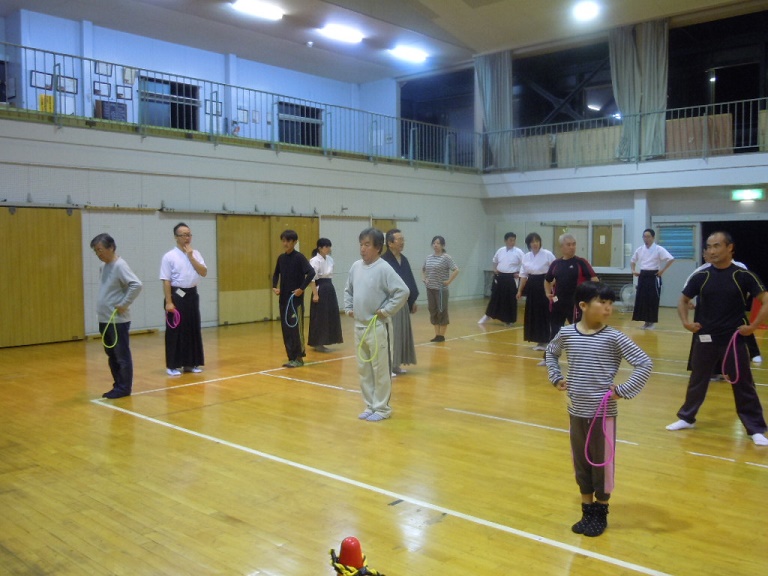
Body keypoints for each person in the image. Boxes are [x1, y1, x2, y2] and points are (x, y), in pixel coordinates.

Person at [546, 281, 652, 537]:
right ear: (583, 305)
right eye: (602, 303)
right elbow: (551, 353)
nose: (608, 308)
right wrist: (556, 377)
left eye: (610, 303)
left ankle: (601, 510)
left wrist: (622, 390)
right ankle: (586, 509)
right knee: (581, 463)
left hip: (603, 415)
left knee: (602, 464)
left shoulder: (614, 337)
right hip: (576, 411)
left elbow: (644, 363)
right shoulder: (567, 333)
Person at [666, 231, 768, 445]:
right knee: (697, 379)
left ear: (730, 248)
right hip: (705, 338)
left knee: (743, 383)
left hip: (733, 340)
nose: (711, 251)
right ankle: (687, 417)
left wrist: (753, 326)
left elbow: (765, 300)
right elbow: (683, 300)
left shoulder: (743, 275)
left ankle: (755, 428)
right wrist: (686, 322)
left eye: (717, 246)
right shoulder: (701, 276)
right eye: (709, 247)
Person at [344, 228, 409, 422]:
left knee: (380, 370)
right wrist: (349, 308)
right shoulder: (355, 267)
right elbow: (348, 290)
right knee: (364, 370)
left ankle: (382, 408)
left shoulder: (384, 268)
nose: (362, 249)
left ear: (378, 247)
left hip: (378, 327)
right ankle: (370, 405)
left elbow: (402, 291)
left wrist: (386, 310)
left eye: (367, 245)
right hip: (359, 326)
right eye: (361, 244)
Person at [91, 233, 143, 399]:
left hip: (117, 320)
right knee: (112, 355)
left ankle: (124, 388)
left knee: (121, 356)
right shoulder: (103, 266)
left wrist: (124, 304)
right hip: (104, 319)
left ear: (111, 247)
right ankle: (118, 385)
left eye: (100, 250)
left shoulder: (120, 265)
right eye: (95, 251)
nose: (98, 254)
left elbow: (136, 285)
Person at [542, 233, 598, 365]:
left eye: (574, 244)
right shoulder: (556, 264)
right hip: (558, 303)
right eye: (568, 245)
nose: (572, 247)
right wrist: (547, 293)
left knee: (579, 333)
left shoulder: (581, 262)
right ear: (561, 247)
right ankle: (549, 359)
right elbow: (547, 280)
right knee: (555, 332)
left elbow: (595, 280)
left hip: (575, 306)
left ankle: (582, 361)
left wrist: (587, 296)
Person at [160, 222, 207, 376]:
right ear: (176, 237)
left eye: (189, 234)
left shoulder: (196, 253)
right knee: (175, 331)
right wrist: (169, 302)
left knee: (192, 329)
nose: (187, 238)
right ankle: (172, 365)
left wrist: (191, 257)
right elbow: (166, 280)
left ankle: (190, 363)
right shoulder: (169, 256)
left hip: (192, 295)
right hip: (176, 295)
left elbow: (203, 272)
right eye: (184, 235)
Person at [272, 229, 315, 368]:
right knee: (286, 330)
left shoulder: (299, 258)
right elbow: (276, 274)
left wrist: (301, 289)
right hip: (283, 300)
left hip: (295, 301)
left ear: (294, 242)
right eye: (283, 241)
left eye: (288, 241)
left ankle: (299, 357)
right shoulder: (281, 258)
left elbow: (311, 272)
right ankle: (291, 357)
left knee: (296, 329)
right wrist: (274, 286)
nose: (285, 244)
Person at [382, 229, 419, 375]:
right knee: (392, 334)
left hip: (403, 303)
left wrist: (412, 300)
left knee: (401, 334)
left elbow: (409, 280)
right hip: (390, 303)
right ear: (390, 243)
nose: (402, 242)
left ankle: (396, 364)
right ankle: (387, 366)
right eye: (399, 240)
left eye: (403, 239)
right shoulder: (383, 261)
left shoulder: (404, 259)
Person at [517, 232, 556, 350]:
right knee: (534, 313)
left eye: (537, 241)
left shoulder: (548, 254)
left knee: (544, 313)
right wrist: (519, 291)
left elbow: (556, 272)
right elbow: (523, 275)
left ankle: (547, 340)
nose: (535, 244)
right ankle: (539, 340)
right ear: (528, 244)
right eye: (532, 241)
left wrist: (550, 286)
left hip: (545, 284)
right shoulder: (526, 256)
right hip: (532, 286)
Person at [630, 228, 675, 330]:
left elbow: (671, 259)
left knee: (652, 299)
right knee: (642, 299)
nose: (646, 239)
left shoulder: (659, 249)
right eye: (644, 236)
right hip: (643, 275)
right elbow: (632, 261)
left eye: (648, 236)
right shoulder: (640, 249)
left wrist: (662, 270)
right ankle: (646, 322)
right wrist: (633, 270)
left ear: (653, 237)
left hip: (654, 276)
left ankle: (652, 323)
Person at [478, 232, 525, 326]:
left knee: (510, 299)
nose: (512, 242)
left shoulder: (519, 252)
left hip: (511, 278)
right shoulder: (501, 250)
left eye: (514, 240)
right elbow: (494, 260)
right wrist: (494, 269)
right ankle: (488, 315)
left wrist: (520, 273)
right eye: (510, 240)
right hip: (500, 276)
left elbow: (525, 264)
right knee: (495, 297)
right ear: (505, 241)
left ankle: (509, 320)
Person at [307, 238, 343, 353]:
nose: (329, 249)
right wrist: (315, 294)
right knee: (320, 317)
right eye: (326, 247)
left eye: (329, 246)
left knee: (330, 315)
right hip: (320, 288)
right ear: (320, 248)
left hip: (329, 287)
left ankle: (328, 340)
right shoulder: (314, 261)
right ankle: (318, 342)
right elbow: (312, 279)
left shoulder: (330, 259)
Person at [422, 235, 459, 342]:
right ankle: (437, 334)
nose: (435, 245)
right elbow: (423, 269)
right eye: (434, 243)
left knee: (442, 310)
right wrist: (424, 279)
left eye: (438, 243)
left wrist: (449, 281)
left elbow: (456, 270)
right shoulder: (429, 257)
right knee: (432, 310)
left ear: (442, 245)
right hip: (430, 289)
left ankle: (441, 336)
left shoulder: (446, 258)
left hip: (441, 290)